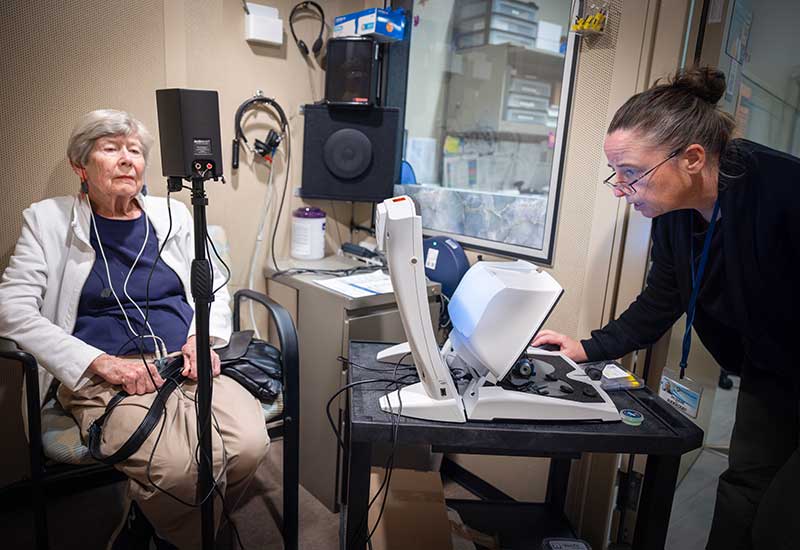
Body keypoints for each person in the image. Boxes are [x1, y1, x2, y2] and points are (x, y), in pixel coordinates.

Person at [532, 67, 798, 550]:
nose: (620, 188)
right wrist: (588, 347)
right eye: (617, 173)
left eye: (632, 173)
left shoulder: (783, 190)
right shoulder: (675, 218)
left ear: (693, 158)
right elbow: (663, 298)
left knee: (782, 520)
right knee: (743, 490)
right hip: (773, 372)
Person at [0, 109, 269, 549]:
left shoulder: (174, 215)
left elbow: (213, 288)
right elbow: (9, 309)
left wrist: (200, 339)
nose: (128, 160)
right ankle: (186, 538)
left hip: (184, 362)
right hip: (104, 376)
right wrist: (100, 363)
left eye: (136, 151)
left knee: (249, 445)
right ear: (79, 165)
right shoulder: (47, 221)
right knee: (177, 467)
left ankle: (152, 525)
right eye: (111, 149)